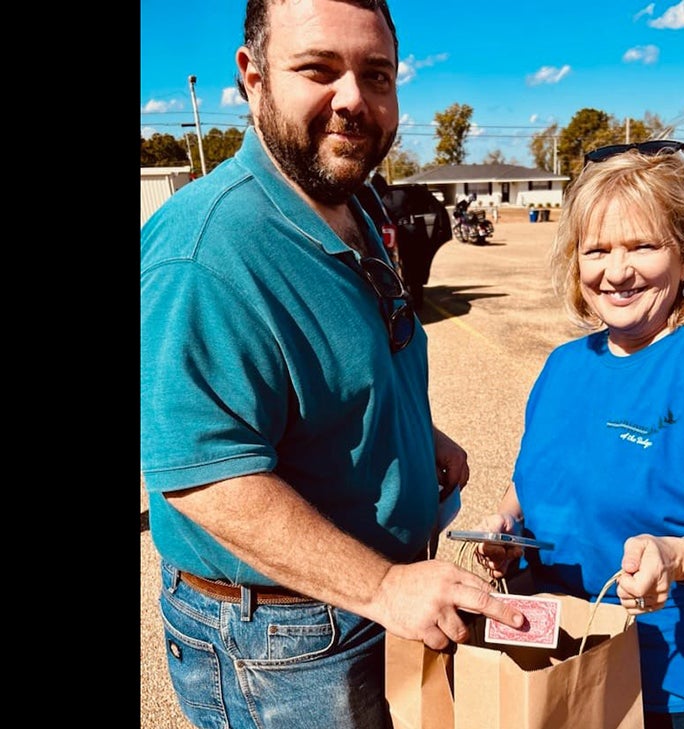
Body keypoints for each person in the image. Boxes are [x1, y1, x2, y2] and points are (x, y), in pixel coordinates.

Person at [139, 2, 526, 728]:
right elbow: (202, 474)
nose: (353, 99)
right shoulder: (207, 250)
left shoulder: (350, 196)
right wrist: (383, 585)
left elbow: (352, 358)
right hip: (291, 644)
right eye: (318, 69)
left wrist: (413, 435)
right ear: (251, 78)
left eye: (375, 74)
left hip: (368, 601)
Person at [474, 141, 684, 729]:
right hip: (568, 664)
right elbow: (533, 480)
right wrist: (508, 529)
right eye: (597, 249)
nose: (617, 271)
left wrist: (680, 555)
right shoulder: (564, 365)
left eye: (643, 246)